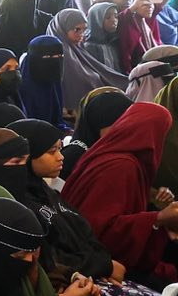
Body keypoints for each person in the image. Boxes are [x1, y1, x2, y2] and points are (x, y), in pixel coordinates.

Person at [63, 101, 178, 280]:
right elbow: (101, 230)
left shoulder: (110, 153)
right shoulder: (122, 166)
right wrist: (159, 218)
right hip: (102, 262)